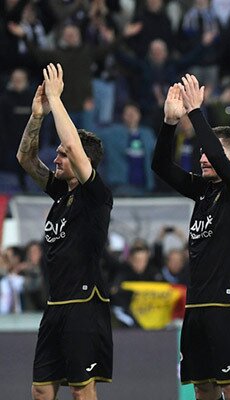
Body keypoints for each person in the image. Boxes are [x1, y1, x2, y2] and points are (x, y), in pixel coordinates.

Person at [152, 75, 230, 400]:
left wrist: (196, 113)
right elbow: (160, 166)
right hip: (196, 304)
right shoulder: (203, 192)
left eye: (209, 154)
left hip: (228, 304)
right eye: (199, 153)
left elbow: (216, 156)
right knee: (203, 387)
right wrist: (170, 123)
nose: (201, 158)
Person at [17, 63, 113, 400]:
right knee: (42, 391)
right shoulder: (62, 194)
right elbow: (25, 158)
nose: (56, 159)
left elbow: (72, 145)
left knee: (81, 393)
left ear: (82, 161)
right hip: (55, 304)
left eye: (61, 155)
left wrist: (57, 99)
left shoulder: (96, 196)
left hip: (85, 305)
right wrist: (37, 115)